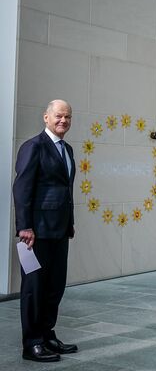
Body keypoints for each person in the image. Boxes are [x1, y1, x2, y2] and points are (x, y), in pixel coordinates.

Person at [13, 99, 78, 362]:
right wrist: (24, 227)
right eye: (59, 116)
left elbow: (65, 190)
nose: (64, 120)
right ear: (46, 117)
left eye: (68, 117)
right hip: (35, 233)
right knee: (34, 288)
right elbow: (22, 188)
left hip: (60, 231)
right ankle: (32, 343)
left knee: (54, 287)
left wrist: (69, 222)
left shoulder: (67, 149)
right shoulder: (34, 146)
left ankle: (47, 335)